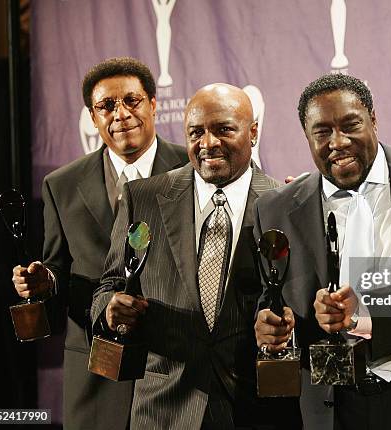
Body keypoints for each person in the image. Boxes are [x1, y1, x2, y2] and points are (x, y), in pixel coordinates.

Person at [91, 83, 302, 429]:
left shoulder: (287, 204)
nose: (207, 143)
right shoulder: (142, 198)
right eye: (196, 132)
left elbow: (302, 306)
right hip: (164, 410)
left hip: (255, 409)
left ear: (253, 133)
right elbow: (109, 286)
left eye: (223, 130)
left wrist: (285, 328)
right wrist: (110, 309)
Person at [253, 73, 391, 429]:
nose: (338, 142)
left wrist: (364, 315)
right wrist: (275, 325)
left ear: (374, 119)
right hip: (330, 406)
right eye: (322, 132)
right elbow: (272, 294)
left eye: (350, 125)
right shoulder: (275, 208)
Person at [10, 57, 188, 429]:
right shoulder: (61, 185)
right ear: (93, 117)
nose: (120, 114)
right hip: (95, 376)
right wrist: (45, 283)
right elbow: (58, 268)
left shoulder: (191, 169)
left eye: (132, 101)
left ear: (153, 104)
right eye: (107, 106)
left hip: (176, 370)